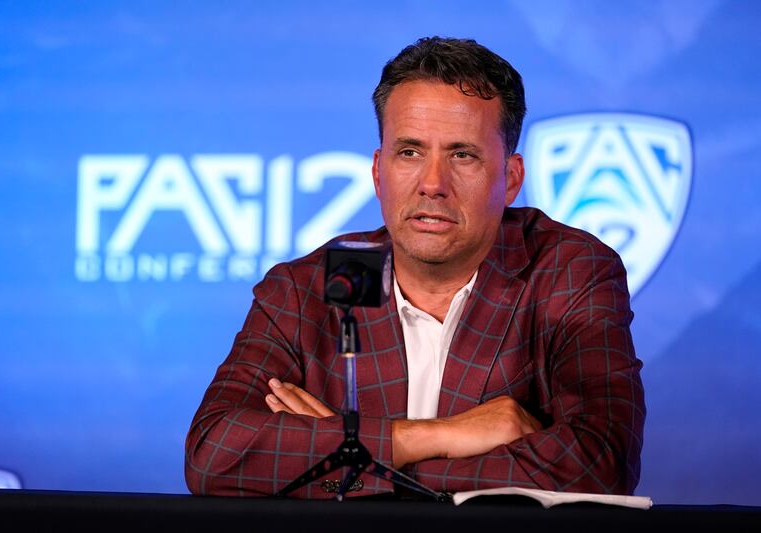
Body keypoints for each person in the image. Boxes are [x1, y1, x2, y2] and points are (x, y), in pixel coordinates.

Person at [185, 37, 645, 498]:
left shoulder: (568, 270)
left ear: (510, 179)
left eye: (462, 154)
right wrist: (434, 436)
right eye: (409, 152)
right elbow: (214, 456)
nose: (432, 184)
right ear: (378, 171)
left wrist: (345, 457)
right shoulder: (307, 287)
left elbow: (599, 465)